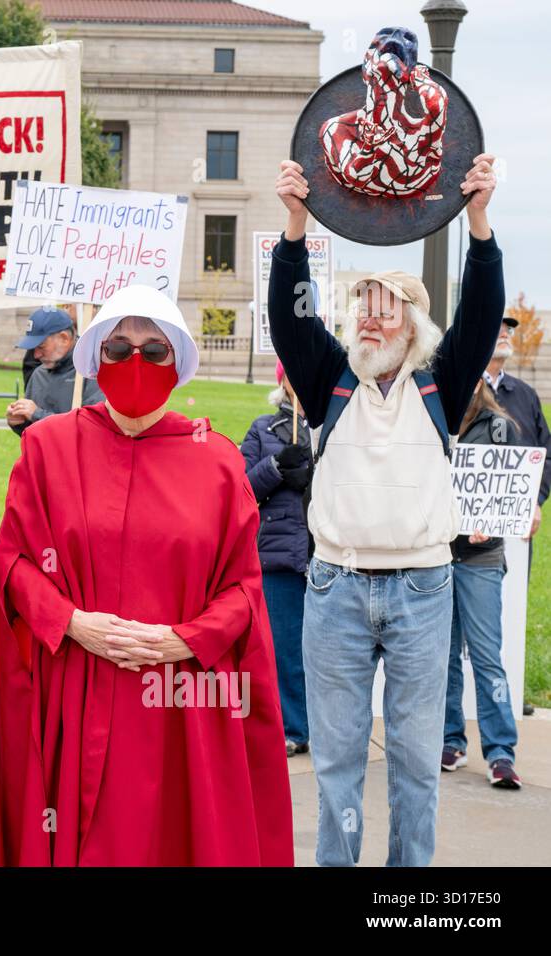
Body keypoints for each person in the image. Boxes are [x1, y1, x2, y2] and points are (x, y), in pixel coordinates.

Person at [0, 284, 291, 866]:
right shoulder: (49, 448)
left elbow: (243, 591)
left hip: (179, 696)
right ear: (95, 357)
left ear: (175, 362)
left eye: (154, 351)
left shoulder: (218, 460)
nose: (135, 361)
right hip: (77, 683)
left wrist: (185, 639)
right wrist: (73, 623)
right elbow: (14, 563)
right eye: (118, 347)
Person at [270, 154, 503, 866]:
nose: (370, 318)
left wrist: (480, 221)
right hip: (336, 588)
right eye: (362, 306)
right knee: (337, 762)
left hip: (423, 591)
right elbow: (289, 312)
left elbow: (484, 311)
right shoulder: (326, 379)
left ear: (413, 324)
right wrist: (294, 226)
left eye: (386, 306)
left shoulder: (442, 382)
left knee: (412, 762)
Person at [443, 382, 522, 789]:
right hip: (438, 556)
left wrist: (489, 525)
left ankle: (501, 751)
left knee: (487, 656)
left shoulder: (498, 428)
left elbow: (511, 493)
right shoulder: (433, 419)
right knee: (444, 658)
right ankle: (449, 741)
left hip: (481, 559)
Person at [240, 361, 313, 758]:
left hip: (328, 556)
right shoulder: (262, 429)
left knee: (326, 651)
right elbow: (239, 488)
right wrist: (276, 468)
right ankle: (292, 726)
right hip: (280, 556)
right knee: (284, 648)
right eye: (291, 377)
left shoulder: (334, 425)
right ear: (281, 383)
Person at [484, 314, 549, 537]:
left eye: (508, 331)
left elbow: (545, 452)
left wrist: (536, 500)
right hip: (469, 529)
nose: (505, 334)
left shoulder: (526, 394)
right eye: (497, 328)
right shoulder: (461, 390)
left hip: (518, 519)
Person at [6, 305, 100, 434]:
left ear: (64, 339)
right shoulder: (38, 374)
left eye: (41, 347)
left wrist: (37, 414)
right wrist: (19, 422)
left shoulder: (92, 372)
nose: (36, 355)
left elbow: (92, 427)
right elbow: (34, 435)